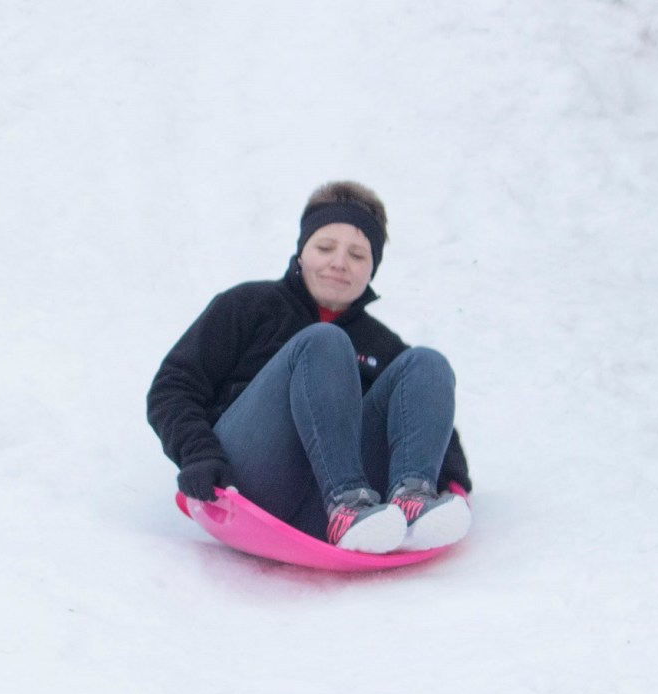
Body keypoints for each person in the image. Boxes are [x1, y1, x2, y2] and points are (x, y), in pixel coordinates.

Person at [147, 181, 472, 554]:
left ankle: (412, 501)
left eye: (357, 255)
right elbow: (174, 387)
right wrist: (199, 454)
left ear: (372, 269)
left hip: (337, 513)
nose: (339, 263)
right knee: (324, 341)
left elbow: (426, 417)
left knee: (426, 363)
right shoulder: (248, 306)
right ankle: (346, 502)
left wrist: (453, 482)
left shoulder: (383, 345)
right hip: (255, 483)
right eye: (325, 247)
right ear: (302, 251)